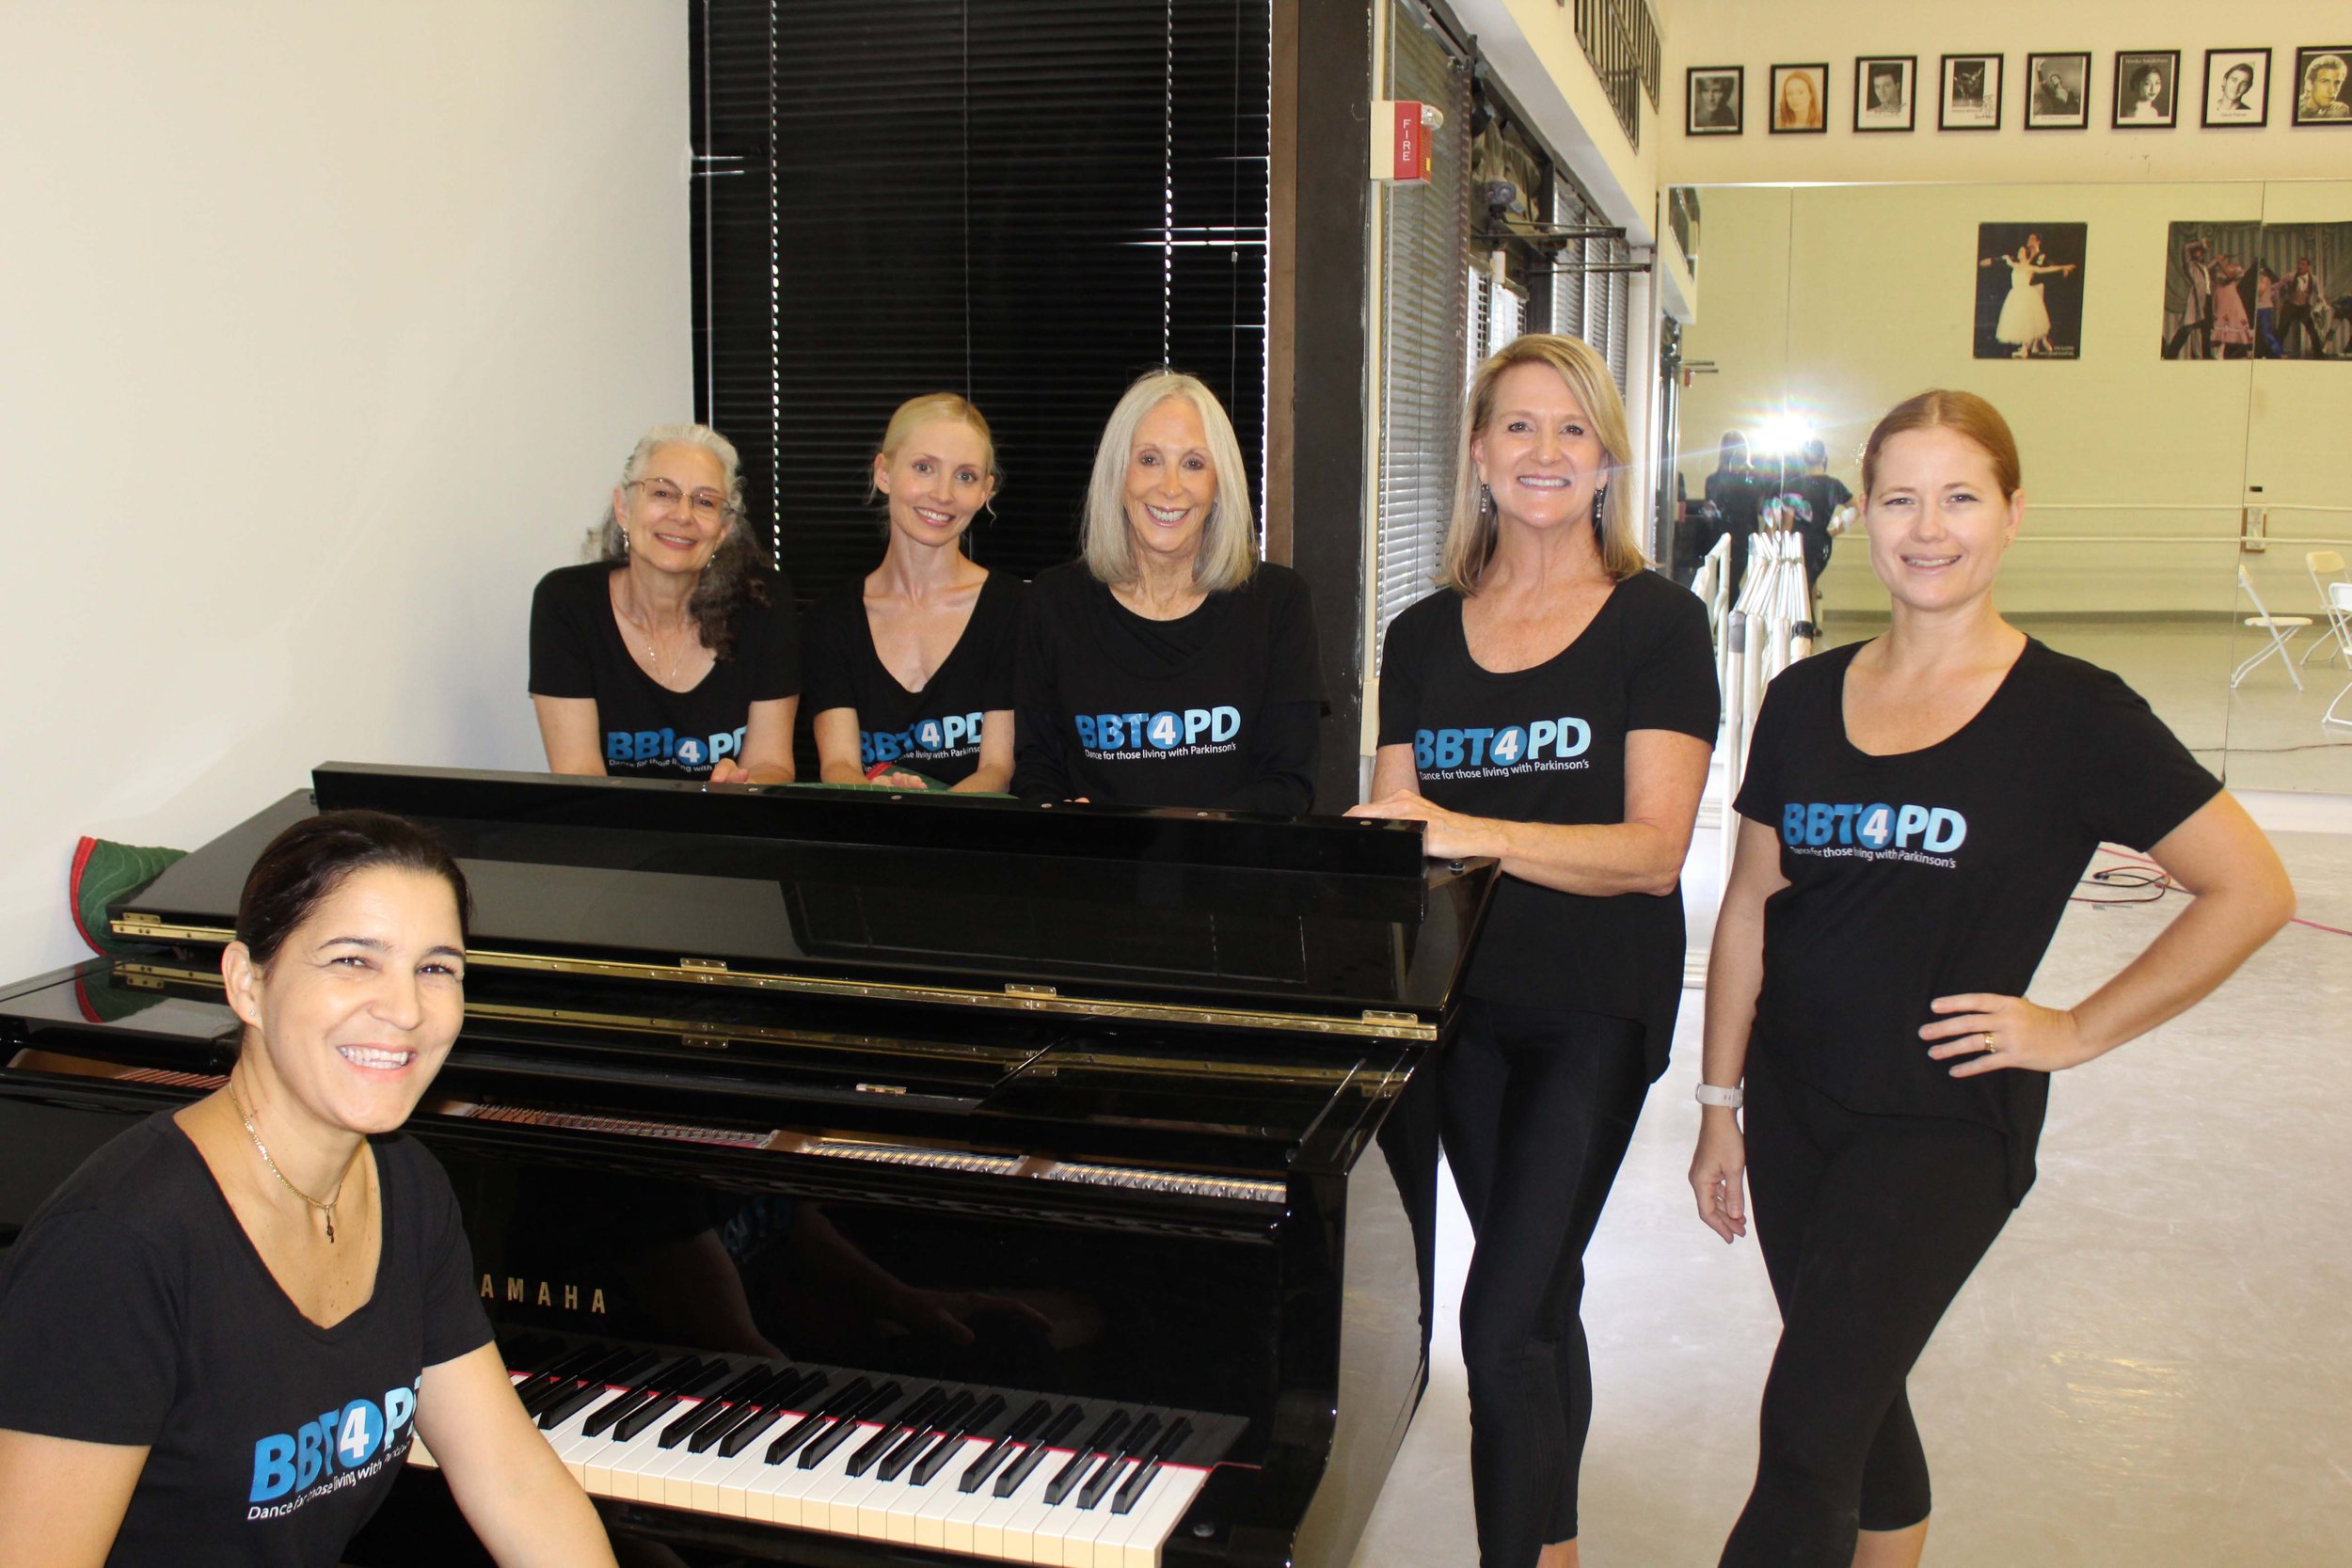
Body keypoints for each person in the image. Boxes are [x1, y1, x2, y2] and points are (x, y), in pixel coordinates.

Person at [1689, 391, 2294, 1568]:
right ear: (1857, 513)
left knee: (1807, 1431)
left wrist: (2073, 1025)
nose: (1929, 526)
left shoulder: (2072, 713)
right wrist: (1719, 1105)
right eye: (1900, 497)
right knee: (1858, 1398)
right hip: (1794, 1104)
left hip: (1942, 1119)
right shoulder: (1803, 697)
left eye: (1960, 496)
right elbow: (1753, 902)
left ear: (2012, 516)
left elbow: (2251, 889)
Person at [0, 811, 620, 1568]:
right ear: (247, 983)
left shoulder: (406, 1184)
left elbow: (514, 1480)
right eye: (354, 960)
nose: (405, 1011)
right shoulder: (118, 1245)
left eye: (437, 967)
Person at [1350, 334, 1718, 1568]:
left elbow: (1652, 850)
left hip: (1592, 1005)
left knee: (1498, 1316)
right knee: (1538, 1289)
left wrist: (1465, 827)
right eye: (1519, 426)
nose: (1546, 452)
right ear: (1477, 452)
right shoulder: (1421, 634)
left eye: (1573, 429)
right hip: (1458, 1011)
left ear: (1609, 455)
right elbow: (1399, 842)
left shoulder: (1657, 624)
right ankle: (1553, 1544)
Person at [1012, 371, 1323, 810]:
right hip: (1098, 867)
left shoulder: (1278, 602)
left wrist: (1183, 843)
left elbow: (1288, 783)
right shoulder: (1052, 602)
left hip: (1229, 868)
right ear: (1118, 476)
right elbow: (1036, 766)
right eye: (1149, 459)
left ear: (1219, 487)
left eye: (1193, 463)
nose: (1170, 487)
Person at [530, 423, 798, 784]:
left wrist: (745, 786)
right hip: (613, 832)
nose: (683, 515)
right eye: (662, 493)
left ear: (723, 529)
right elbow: (579, 778)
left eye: (704, 502)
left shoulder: (765, 603)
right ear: (623, 508)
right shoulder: (567, 603)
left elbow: (773, 765)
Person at [803, 394, 1020, 792]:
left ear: (985, 492)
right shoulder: (832, 618)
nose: (943, 494)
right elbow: (838, 767)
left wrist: (929, 819)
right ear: (883, 473)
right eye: (924, 468)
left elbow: (996, 771)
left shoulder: (1013, 608)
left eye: (966, 476)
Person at [1979, 242, 2074, 358]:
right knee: (2019, 321)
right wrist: (1994, 260)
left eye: (2022, 251)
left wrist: (2063, 267)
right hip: (2015, 295)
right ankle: (2027, 347)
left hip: (2026, 296)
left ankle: (2026, 349)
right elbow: (1995, 261)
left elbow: (2047, 269)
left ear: (2026, 254)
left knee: (2026, 321)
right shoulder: (2014, 264)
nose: (2019, 253)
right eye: (2019, 251)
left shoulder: (2030, 267)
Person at [1788, 438, 1852, 592]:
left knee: (1798, 590)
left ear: (1802, 458)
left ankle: (1806, 615)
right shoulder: (1833, 485)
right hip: (1820, 543)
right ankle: (1809, 615)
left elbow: (1787, 524)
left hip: (1797, 542)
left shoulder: (1793, 485)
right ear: (1824, 457)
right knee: (1808, 586)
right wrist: (1835, 530)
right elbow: (1856, 508)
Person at [1705, 432, 1764, 599]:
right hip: (1745, 534)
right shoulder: (1754, 478)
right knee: (1732, 583)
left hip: (1720, 533)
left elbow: (1709, 512)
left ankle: (1724, 620)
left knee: (1723, 581)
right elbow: (1760, 507)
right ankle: (1731, 620)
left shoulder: (1714, 480)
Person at [2162, 238, 2214, 359]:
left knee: (2206, 329)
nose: (2199, 253)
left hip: (2207, 299)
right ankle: (2171, 354)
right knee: (2186, 329)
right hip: (2196, 302)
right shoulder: (2190, 265)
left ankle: (2207, 356)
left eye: (2200, 251)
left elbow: (2207, 273)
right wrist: (2200, 243)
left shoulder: (2203, 267)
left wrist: (2217, 260)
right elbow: (2185, 247)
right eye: (2196, 251)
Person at [2279, 256, 2327, 358]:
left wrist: (2320, 304)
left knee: (2312, 330)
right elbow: (2279, 286)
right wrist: (2281, 300)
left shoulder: (2313, 279)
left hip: (2304, 308)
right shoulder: (2290, 276)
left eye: (2303, 264)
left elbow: (2319, 294)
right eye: (2299, 264)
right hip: (2290, 306)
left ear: (2308, 267)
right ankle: (2276, 351)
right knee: (2282, 329)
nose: (2299, 266)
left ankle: (2318, 354)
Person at [2209, 255, 2254, 357]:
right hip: (2221, 297)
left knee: (2236, 321)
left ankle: (2248, 351)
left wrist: (2220, 263)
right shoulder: (2219, 270)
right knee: (2222, 322)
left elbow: (2230, 276)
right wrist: (2215, 261)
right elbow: (2207, 272)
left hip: (2231, 298)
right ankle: (2219, 352)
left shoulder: (2237, 269)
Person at [2297, 53, 2348, 120]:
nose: (2332, 90)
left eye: (2337, 83)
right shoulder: (2294, 110)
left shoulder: (2340, 111)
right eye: (2325, 81)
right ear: (2309, 83)